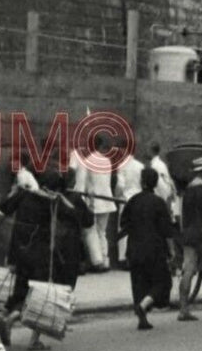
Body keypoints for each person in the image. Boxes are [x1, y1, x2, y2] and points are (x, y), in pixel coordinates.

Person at [0, 167, 93, 351]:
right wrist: (72, 201)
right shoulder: (53, 202)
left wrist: (16, 191)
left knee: (21, 289)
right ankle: (24, 330)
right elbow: (78, 218)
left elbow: (4, 208)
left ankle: (6, 314)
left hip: (20, 252)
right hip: (42, 256)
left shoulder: (25, 194)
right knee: (41, 297)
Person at [118, 167, 177, 329]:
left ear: (141, 182)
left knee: (138, 284)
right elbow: (167, 230)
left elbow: (123, 224)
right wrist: (171, 251)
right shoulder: (159, 203)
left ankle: (142, 318)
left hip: (134, 249)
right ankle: (144, 305)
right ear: (156, 183)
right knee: (163, 282)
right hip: (154, 249)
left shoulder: (133, 201)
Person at [176, 157, 202, 321]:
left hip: (188, 234)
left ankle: (183, 308)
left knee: (188, 270)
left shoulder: (188, 191)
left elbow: (184, 217)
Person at [72, 135, 116, 272]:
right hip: (107, 199)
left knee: (91, 231)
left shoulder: (87, 161)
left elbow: (83, 183)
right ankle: (105, 259)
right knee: (102, 232)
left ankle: (97, 261)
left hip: (94, 200)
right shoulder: (107, 161)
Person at [112, 151, 146, 268]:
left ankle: (124, 258)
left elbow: (120, 185)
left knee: (124, 228)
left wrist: (116, 196)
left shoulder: (121, 166)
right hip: (139, 198)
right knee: (138, 229)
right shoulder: (140, 166)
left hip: (125, 200)